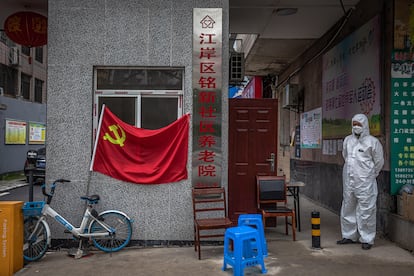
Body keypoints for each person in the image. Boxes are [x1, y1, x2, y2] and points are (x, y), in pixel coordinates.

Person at [337, 114, 384, 250]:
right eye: (354, 124)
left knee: (366, 210)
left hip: (365, 182)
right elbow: (345, 156)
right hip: (349, 180)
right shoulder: (348, 140)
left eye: (359, 124)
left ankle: (367, 239)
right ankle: (348, 235)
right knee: (347, 207)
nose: (356, 127)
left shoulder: (372, 142)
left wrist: (370, 175)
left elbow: (379, 162)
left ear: (365, 125)